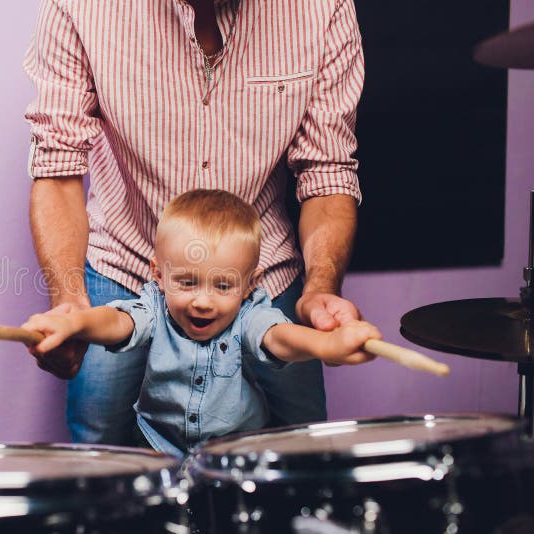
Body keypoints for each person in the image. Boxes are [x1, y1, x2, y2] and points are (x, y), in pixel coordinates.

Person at [24, 0, 365, 445]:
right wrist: (69, 304)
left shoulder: (323, 8)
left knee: (305, 453)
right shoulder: (78, 7)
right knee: (99, 455)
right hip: (124, 260)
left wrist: (322, 290)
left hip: (263, 275)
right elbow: (58, 167)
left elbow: (327, 172)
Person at [22, 190, 379, 456]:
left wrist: (330, 345)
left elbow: (279, 338)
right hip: (158, 449)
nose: (203, 301)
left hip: (234, 455)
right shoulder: (154, 305)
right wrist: (74, 325)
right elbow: (118, 322)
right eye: (187, 282)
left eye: (223, 285)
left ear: (249, 283)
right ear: (158, 275)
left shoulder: (250, 313)